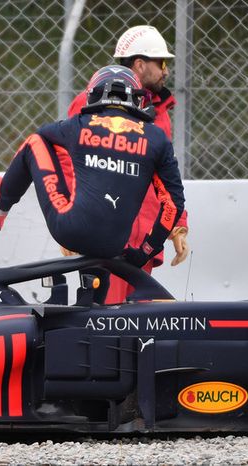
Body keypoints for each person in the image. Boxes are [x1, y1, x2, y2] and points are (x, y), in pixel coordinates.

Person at [0, 65, 185, 270]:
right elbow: (174, 204)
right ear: (137, 98)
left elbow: (43, 134)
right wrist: (146, 251)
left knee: (33, 143)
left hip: (70, 231)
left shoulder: (79, 125)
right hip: (115, 245)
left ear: (94, 95)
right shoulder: (157, 138)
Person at [68, 25, 190, 303]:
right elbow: (70, 162)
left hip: (144, 242)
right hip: (103, 233)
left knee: (138, 327)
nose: (166, 71)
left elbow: (167, 177)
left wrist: (177, 226)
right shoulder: (88, 104)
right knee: (104, 325)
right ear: (139, 64)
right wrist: (69, 216)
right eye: (160, 63)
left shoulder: (159, 113)